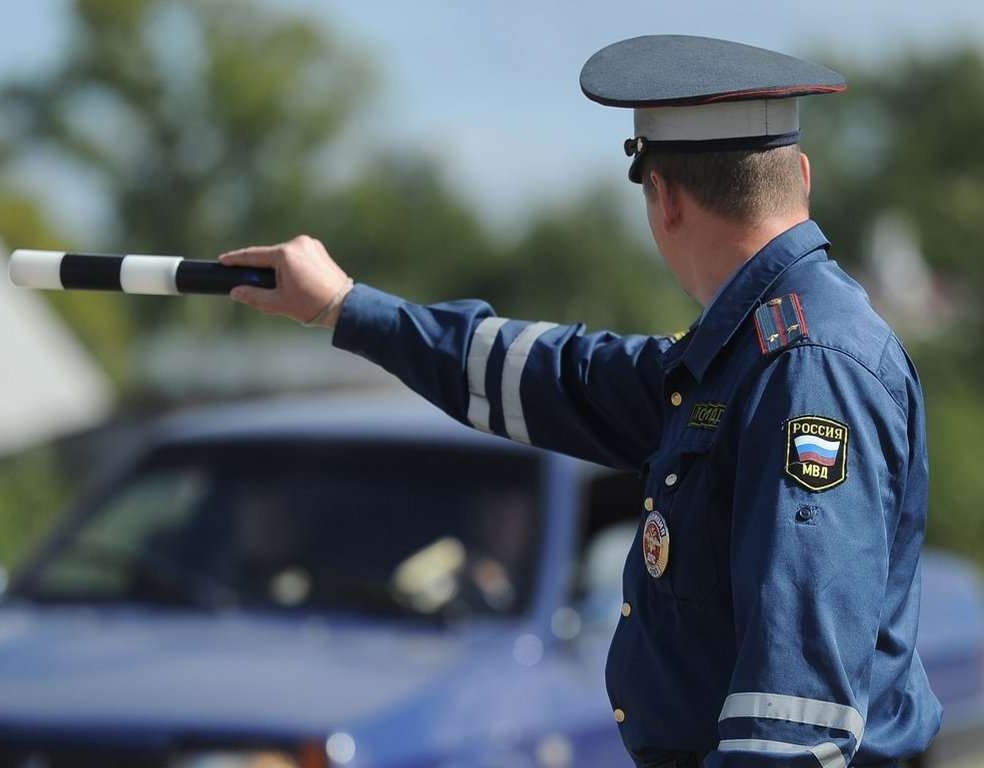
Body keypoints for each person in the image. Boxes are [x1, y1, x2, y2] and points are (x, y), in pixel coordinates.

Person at [220, 34, 941, 768]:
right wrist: (345, 307)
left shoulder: (803, 367)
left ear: (663, 198)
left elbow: (793, 722)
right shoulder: (750, 353)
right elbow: (558, 376)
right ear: (803, 177)